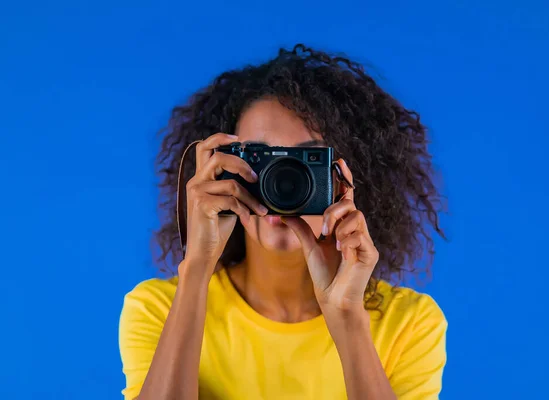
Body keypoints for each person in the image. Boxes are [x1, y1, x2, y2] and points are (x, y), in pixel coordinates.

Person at [119, 44, 447, 400]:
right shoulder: (158, 309)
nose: (281, 181)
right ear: (219, 168)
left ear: (347, 176)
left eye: (306, 160)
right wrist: (196, 267)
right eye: (258, 158)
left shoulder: (411, 323)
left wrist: (348, 320)